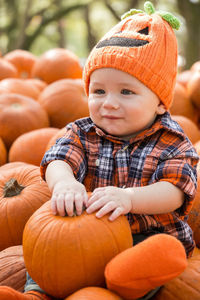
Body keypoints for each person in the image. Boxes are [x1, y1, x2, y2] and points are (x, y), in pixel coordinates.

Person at [0, 1, 198, 300]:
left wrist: (129, 199)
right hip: (83, 234)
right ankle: (35, 294)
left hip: (142, 235)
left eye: (126, 92)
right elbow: (58, 159)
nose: (109, 103)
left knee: (153, 259)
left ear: (160, 102)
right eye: (99, 91)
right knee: (44, 249)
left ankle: (121, 286)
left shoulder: (172, 142)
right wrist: (65, 183)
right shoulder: (82, 132)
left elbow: (175, 192)